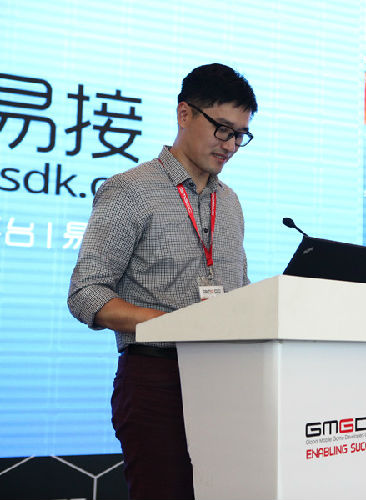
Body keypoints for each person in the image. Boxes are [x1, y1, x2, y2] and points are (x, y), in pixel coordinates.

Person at [68, 63, 258, 500]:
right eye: (222, 129)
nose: (230, 145)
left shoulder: (230, 203)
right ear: (184, 114)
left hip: (228, 380)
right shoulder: (130, 190)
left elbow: (238, 291)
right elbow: (86, 294)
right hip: (157, 380)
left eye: (240, 135)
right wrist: (172, 324)